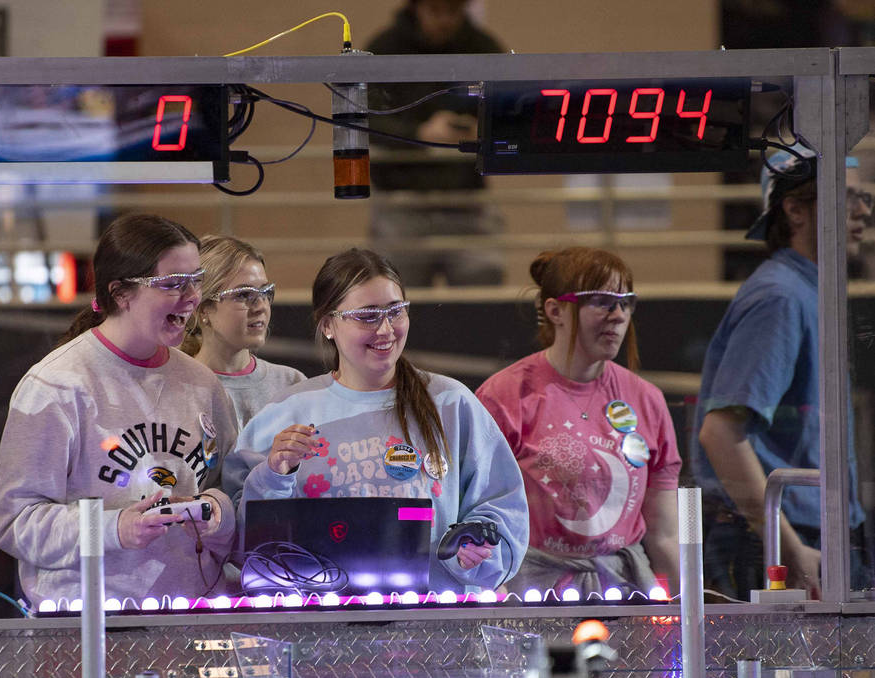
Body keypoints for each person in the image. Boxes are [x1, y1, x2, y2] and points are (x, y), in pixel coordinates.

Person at [222, 248, 528, 592]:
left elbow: (502, 509)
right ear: (327, 325)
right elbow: (240, 542)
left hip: (434, 624)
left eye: (395, 312)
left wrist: (473, 552)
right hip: (320, 627)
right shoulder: (285, 413)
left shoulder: (450, 403)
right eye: (367, 316)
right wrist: (273, 475)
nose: (386, 329)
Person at [0, 213, 239, 608]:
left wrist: (216, 513)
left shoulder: (201, 383)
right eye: (173, 283)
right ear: (121, 293)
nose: (193, 296)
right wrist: (114, 528)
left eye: (197, 279)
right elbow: (16, 523)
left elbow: (232, 492)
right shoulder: (56, 386)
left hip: (193, 618)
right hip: (88, 631)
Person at [693, 149, 873, 600]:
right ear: (793, 209)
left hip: (811, 533)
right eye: (847, 196)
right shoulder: (781, 297)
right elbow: (720, 434)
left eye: (864, 197)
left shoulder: (809, 289)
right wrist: (789, 550)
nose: (864, 210)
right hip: (786, 542)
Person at [476, 247, 681, 597]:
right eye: (601, 301)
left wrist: (691, 618)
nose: (618, 315)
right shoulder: (504, 396)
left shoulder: (647, 400)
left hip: (624, 586)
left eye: (625, 302)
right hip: (531, 588)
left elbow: (665, 535)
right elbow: (479, 522)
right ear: (555, 310)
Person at [365, 0, 504, 286]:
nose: (444, 20)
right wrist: (420, 133)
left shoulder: (483, 46)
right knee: (398, 296)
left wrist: (483, 130)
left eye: (452, 11)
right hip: (402, 201)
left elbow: (509, 109)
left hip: (466, 198)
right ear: (416, 8)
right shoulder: (383, 48)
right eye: (435, 11)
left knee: (482, 296)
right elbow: (366, 118)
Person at [181, 235, 305, 430]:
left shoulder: (291, 384)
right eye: (244, 295)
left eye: (265, 292)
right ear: (203, 308)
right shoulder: (177, 387)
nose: (261, 306)